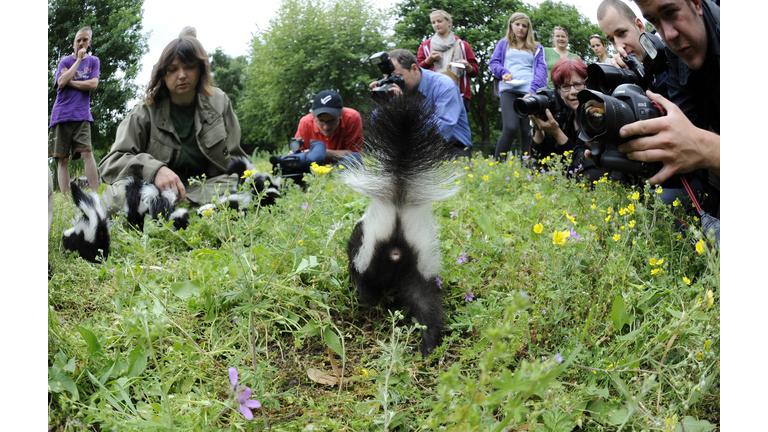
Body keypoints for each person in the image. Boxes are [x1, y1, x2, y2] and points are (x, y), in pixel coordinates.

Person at [98, 36, 248, 214]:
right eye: (173, 69)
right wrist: (154, 169)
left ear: (201, 69)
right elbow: (110, 163)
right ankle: (196, 211)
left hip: (205, 188)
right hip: (156, 191)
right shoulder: (144, 111)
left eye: (189, 66)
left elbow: (238, 164)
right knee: (116, 198)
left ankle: (171, 212)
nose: (182, 75)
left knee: (247, 186)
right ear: (163, 74)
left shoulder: (219, 102)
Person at [618, 0, 719, 233]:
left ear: (697, 3)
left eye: (671, 12)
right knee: (662, 206)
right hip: (711, 179)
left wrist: (706, 149)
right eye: (654, 21)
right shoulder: (677, 56)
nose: (668, 35)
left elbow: (695, 143)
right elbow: (685, 127)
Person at [368, 49, 472, 158]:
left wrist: (404, 106)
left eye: (397, 76)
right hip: (412, 146)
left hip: (450, 147)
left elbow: (440, 132)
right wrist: (382, 104)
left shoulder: (444, 86)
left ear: (414, 69)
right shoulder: (394, 90)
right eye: (388, 78)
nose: (393, 83)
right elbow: (377, 127)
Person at [531, 58, 611, 184]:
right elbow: (541, 158)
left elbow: (587, 161)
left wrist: (557, 133)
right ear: (559, 91)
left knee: (589, 177)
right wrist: (538, 125)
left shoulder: (598, 113)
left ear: (588, 84)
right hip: (574, 175)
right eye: (566, 86)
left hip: (599, 173)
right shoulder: (564, 115)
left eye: (578, 84)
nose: (573, 92)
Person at [48, 26, 101, 195]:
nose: (81, 43)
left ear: (89, 42)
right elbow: (61, 82)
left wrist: (70, 80)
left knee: (88, 154)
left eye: (84, 40)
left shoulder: (94, 61)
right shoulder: (65, 61)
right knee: (61, 158)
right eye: (78, 40)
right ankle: (65, 200)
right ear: (73, 43)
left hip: (82, 115)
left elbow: (93, 84)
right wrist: (78, 61)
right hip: (60, 115)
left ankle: (95, 195)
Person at [489, 12, 547, 161]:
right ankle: (497, 166)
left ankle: (527, 167)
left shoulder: (537, 47)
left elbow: (541, 70)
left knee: (527, 131)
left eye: (524, 25)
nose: (521, 28)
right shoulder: (503, 44)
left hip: (529, 92)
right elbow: (494, 63)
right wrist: (503, 72)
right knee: (510, 128)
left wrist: (533, 91)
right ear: (511, 25)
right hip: (509, 89)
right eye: (517, 24)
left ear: (529, 28)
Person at [596, 0, 668, 97]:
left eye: (622, 33)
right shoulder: (627, 71)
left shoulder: (672, 52)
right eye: (612, 39)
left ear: (640, 26)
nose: (619, 46)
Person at [417, 9, 479, 113]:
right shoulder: (425, 46)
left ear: (449, 22)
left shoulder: (463, 45)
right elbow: (418, 71)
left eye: (439, 21)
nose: (436, 24)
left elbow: (474, 72)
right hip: (434, 94)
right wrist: (430, 59)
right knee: (438, 127)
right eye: (433, 22)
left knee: (459, 128)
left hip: (460, 93)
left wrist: (467, 65)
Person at [292, 90, 363, 166]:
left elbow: (353, 154)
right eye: (321, 121)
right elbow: (295, 153)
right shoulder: (305, 122)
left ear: (341, 115)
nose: (326, 127)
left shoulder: (352, 118)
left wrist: (319, 152)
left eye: (331, 121)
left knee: (355, 159)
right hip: (313, 168)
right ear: (314, 116)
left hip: (341, 165)